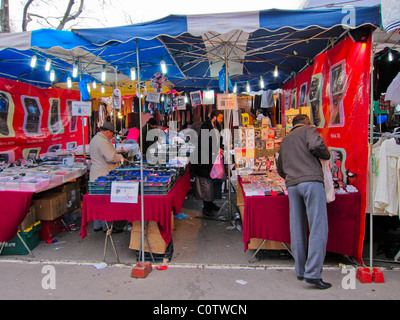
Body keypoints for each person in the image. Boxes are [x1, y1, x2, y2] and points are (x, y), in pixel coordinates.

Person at [277, 114, 332, 290]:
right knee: (318, 226)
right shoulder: (309, 130)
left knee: (297, 227)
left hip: (292, 185)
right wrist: (326, 154)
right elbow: (317, 145)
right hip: (311, 181)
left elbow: (280, 168)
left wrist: (291, 176)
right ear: (307, 122)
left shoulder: (285, 141)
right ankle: (313, 273)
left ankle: (300, 270)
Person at [89, 122, 124, 232]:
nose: (112, 137)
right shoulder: (102, 141)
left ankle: (98, 225)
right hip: (103, 174)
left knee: (98, 200)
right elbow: (111, 157)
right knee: (106, 201)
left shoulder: (95, 139)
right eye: (112, 134)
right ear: (107, 132)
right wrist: (120, 157)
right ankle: (107, 227)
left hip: (96, 172)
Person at [192, 110, 224, 217]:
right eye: (220, 118)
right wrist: (215, 149)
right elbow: (204, 143)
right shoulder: (206, 126)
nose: (221, 120)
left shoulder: (216, 126)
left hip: (211, 159)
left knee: (211, 182)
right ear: (214, 117)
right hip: (204, 160)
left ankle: (211, 203)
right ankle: (206, 207)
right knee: (206, 184)